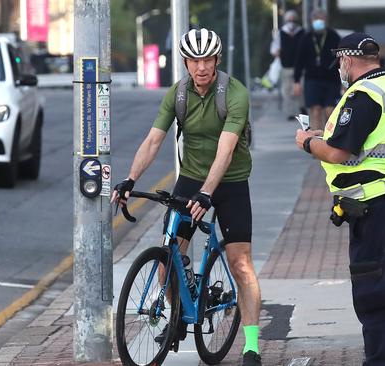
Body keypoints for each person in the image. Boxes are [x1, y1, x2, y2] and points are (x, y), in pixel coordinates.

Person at [111, 28, 263, 366]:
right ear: (185, 62)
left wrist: (208, 193)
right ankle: (178, 313)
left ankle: (251, 346)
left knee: (241, 264)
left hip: (232, 181)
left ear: (217, 60)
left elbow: (226, 149)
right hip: (192, 177)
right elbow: (154, 140)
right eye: (194, 60)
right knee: (169, 259)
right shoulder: (177, 94)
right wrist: (130, 178)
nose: (202, 67)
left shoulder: (234, 94)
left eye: (208, 59)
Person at [295, 33, 385, 366]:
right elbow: (371, 141)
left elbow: (339, 152)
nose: (340, 66)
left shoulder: (364, 96)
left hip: (376, 210)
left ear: (349, 60)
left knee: (375, 297)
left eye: (340, 60)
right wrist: (323, 137)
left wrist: (307, 143)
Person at [293, 8, 341, 131]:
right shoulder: (306, 37)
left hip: (332, 80)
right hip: (312, 80)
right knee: (315, 110)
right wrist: (297, 81)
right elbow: (299, 61)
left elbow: (341, 59)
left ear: (326, 20)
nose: (319, 21)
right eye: (316, 19)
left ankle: (330, 139)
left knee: (330, 111)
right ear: (312, 20)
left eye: (321, 19)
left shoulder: (334, 36)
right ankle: (316, 141)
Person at [270, 9, 305, 120]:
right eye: (289, 19)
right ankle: (290, 112)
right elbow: (274, 48)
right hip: (286, 66)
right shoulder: (281, 32)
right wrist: (277, 52)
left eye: (293, 19)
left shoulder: (302, 32)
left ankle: (302, 108)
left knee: (300, 89)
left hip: (300, 67)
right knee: (287, 91)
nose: (291, 22)